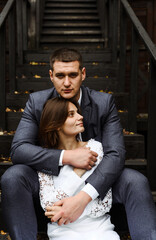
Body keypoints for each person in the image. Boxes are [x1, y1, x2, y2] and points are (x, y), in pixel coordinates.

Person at [1, 48, 156, 240]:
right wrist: (67, 157)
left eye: (73, 75)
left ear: (83, 74)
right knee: (13, 177)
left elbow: (115, 154)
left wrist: (82, 199)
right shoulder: (37, 102)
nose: (66, 83)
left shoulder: (104, 103)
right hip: (52, 179)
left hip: (99, 179)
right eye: (60, 75)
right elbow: (18, 150)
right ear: (51, 76)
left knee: (136, 180)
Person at [38, 97, 120, 240]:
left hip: (99, 228)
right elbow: (48, 206)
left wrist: (71, 209)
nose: (80, 116)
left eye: (78, 112)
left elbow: (103, 204)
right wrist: (77, 174)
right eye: (71, 114)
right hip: (63, 230)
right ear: (56, 124)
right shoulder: (47, 159)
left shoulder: (94, 148)